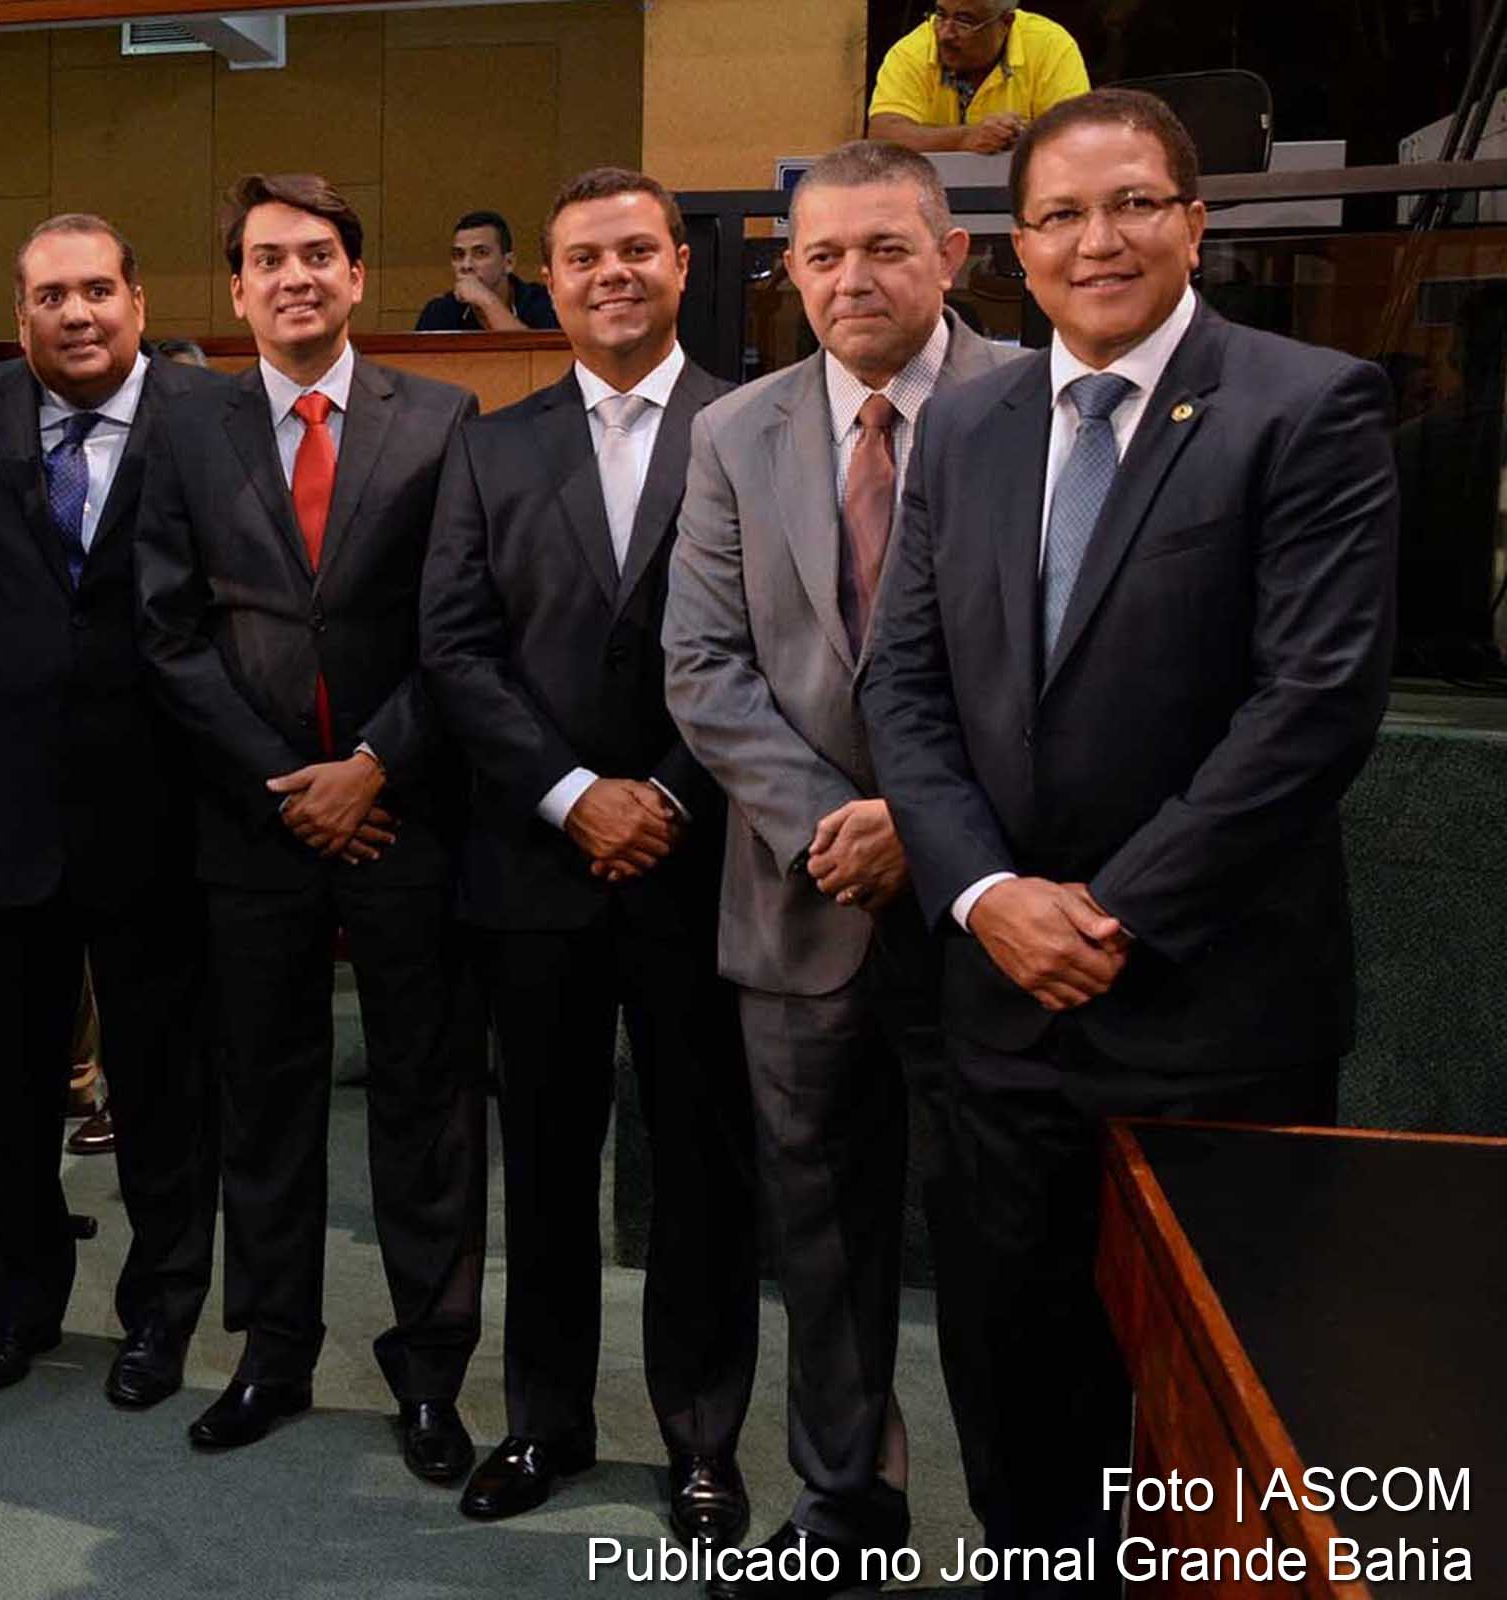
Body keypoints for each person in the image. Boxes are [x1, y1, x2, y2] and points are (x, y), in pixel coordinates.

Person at [860, 90, 1396, 1594]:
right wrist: (985, 896)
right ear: (1016, 248)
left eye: (1133, 204)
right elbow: (903, 687)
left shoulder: (1309, 405)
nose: (1098, 241)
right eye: (1061, 215)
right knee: (1014, 1379)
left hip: (1209, 1009)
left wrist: (1105, 913)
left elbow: (1313, 708)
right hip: (1000, 1011)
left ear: (1196, 223)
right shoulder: (967, 424)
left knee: (1217, 1419)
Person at [662, 141, 1025, 1596]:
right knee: (815, 1225)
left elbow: (1061, 663)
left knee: (1005, 1238)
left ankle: (1033, 1525)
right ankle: (847, 1496)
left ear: (954, 255)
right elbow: (702, 666)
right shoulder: (734, 431)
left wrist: (922, 829)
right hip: (799, 896)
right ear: (789, 273)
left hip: (993, 904)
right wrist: (836, 822)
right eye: (821, 255)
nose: (851, 278)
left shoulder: (1032, 399)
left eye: (885, 247)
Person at [138, 173, 487, 1481]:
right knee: (265, 1100)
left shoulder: (441, 419)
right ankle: (272, 1352)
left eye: (318, 256)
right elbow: (167, 631)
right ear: (237, 289)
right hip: (255, 823)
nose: (294, 277)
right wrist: (291, 782)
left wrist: (372, 768)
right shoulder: (188, 426)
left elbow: (461, 624)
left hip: (408, 816)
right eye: (268, 259)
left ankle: (431, 1371)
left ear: (355, 276)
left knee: (425, 1104)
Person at [422, 166, 750, 1533]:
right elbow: (455, 648)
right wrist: (572, 794)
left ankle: (703, 1437)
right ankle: (543, 1422)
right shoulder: (491, 446)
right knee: (545, 1168)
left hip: (703, 857)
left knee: (702, 1167)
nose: (611, 274)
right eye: (582, 258)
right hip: (537, 866)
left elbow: (787, 648)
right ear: (547, 283)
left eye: (634, 250)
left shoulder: (754, 424)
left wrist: (663, 793)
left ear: (681, 263)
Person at [0, 213, 219, 1410]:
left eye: (97, 289)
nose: (77, 312)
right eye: (50, 295)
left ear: (138, 300)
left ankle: (161, 1315)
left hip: (164, 806)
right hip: (6, 806)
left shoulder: (211, 415)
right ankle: (17, 1306)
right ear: (21, 311)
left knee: (162, 1088)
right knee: (9, 1092)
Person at [867, 3, 1089, 155]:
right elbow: (883, 136)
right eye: (940, 15)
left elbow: (1075, 137)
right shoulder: (913, 50)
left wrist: (1020, 137)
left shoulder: (1050, 46)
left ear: (1006, 22)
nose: (945, 33)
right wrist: (964, 139)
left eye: (964, 21)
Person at [414, 210, 559, 332]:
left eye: (481, 253)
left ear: (508, 263)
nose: (466, 265)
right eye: (459, 255)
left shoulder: (543, 302)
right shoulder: (439, 311)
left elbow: (534, 354)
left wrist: (486, 300)